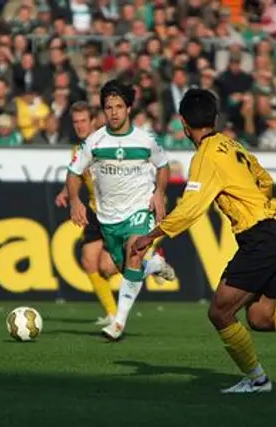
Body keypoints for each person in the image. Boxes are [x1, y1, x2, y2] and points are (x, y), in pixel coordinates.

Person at [132, 89, 276, 394]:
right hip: (270, 232)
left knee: (219, 312)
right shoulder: (231, 144)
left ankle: (258, 380)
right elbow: (263, 179)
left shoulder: (206, 156)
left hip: (259, 239)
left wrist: (151, 236)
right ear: (214, 118)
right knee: (261, 317)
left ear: (184, 124)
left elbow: (191, 208)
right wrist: (257, 202)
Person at [66, 80, 176, 340]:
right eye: (108, 107)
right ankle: (155, 264)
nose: (114, 112)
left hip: (140, 208)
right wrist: (74, 200)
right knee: (121, 267)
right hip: (108, 217)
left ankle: (118, 323)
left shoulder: (147, 139)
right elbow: (73, 173)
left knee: (135, 250)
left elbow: (163, 167)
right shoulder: (93, 142)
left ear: (128, 108)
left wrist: (159, 193)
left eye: (118, 106)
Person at [55, 101, 119, 326]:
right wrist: (68, 194)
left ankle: (149, 260)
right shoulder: (79, 150)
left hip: (117, 212)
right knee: (89, 261)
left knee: (107, 267)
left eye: (84, 121)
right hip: (95, 210)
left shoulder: (107, 144)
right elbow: (76, 175)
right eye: (76, 122)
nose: (80, 126)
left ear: (93, 121)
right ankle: (112, 314)